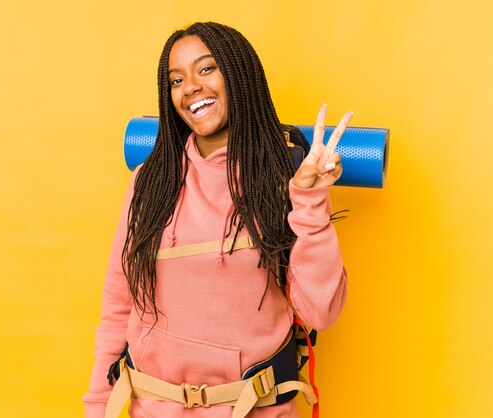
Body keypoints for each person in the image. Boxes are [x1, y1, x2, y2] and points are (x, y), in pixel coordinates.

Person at [83, 21, 350, 418]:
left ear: (240, 75)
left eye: (207, 69)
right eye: (177, 79)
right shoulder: (150, 182)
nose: (190, 86)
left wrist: (309, 200)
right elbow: (118, 305)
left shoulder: (284, 177)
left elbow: (321, 312)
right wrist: (97, 407)